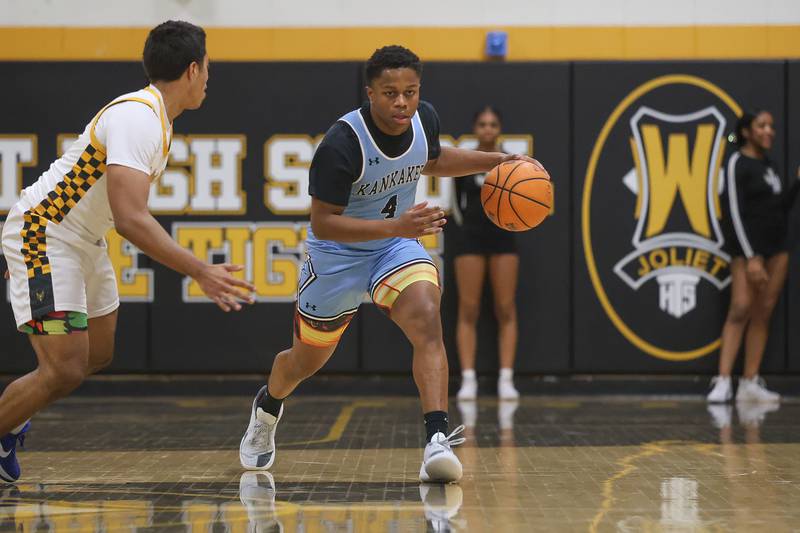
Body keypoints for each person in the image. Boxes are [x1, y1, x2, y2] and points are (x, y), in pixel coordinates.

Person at [239, 45, 545, 483]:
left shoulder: (425, 119)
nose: (402, 102)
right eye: (390, 93)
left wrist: (497, 160)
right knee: (304, 362)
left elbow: (434, 160)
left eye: (410, 92)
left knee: (426, 316)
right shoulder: (342, 144)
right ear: (370, 93)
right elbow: (324, 224)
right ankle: (268, 407)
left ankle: (436, 441)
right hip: (338, 256)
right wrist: (398, 226)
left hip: (393, 249)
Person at [0, 20, 255, 483]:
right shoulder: (139, 116)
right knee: (65, 368)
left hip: (81, 239)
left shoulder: (158, 119)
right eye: (209, 68)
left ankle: (11, 419)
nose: (209, 78)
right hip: (45, 232)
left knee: (97, 352)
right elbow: (130, 217)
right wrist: (199, 270)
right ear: (193, 69)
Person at [707, 110, 799, 404]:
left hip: (778, 246)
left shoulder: (769, 166)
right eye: (762, 126)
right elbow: (733, 211)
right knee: (741, 307)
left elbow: (778, 208)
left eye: (771, 126)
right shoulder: (737, 162)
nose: (769, 131)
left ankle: (749, 381)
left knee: (763, 311)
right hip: (748, 249)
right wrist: (751, 256)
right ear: (747, 132)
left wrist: (796, 184)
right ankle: (722, 381)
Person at [452, 106, 520, 401]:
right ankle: (468, 379)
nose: (488, 129)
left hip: (504, 238)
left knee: (505, 308)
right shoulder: (464, 162)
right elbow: (456, 207)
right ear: (475, 128)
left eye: (493, 123)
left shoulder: (512, 163)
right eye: (482, 124)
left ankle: (506, 377)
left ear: (500, 128)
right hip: (470, 239)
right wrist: (467, 229)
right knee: (468, 309)